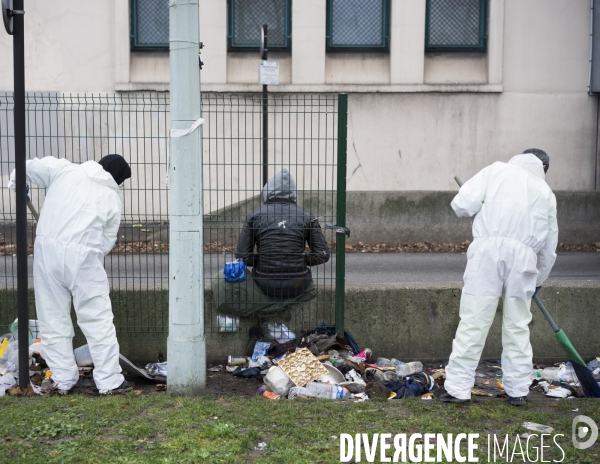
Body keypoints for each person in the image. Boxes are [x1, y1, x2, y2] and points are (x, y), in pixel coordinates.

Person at [435, 149, 558, 406]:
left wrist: (482, 205)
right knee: (517, 325)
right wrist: (538, 280)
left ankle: (458, 389)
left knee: (474, 320)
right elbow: (548, 247)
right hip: (525, 258)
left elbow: (462, 205)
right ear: (544, 168)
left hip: (487, 252)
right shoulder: (545, 192)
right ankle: (518, 390)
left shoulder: (496, 170)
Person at [8, 155, 133, 395]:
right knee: (97, 321)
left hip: (48, 255)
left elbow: (27, 167)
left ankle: (64, 379)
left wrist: (17, 181)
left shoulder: (63, 169)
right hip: (84, 261)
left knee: (52, 319)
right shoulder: (112, 197)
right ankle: (110, 382)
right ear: (117, 178)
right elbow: (106, 243)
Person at [212, 169, 330, 317]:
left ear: (267, 192)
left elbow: (243, 256)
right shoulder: (307, 216)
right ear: (294, 193)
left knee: (223, 275)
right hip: (298, 284)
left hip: (265, 284)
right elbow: (323, 255)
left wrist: (265, 258)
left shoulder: (254, 216)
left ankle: (269, 310)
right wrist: (297, 257)